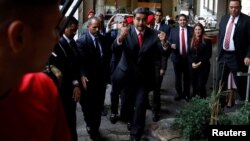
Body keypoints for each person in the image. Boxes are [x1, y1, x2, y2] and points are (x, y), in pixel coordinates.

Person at [0, 0, 72, 141]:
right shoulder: (41, 91)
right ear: (19, 37)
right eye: (55, 28)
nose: (57, 38)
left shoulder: (43, 88)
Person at [111, 7, 169, 141]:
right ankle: (130, 120)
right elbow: (114, 49)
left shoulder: (154, 34)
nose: (141, 23)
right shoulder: (126, 31)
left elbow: (164, 52)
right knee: (126, 105)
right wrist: (120, 38)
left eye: (143, 20)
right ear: (133, 19)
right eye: (138, 19)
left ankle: (135, 135)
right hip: (126, 77)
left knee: (141, 106)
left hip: (143, 78)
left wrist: (164, 43)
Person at [76, 17, 111, 141]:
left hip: (101, 81)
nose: (97, 29)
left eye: (99, 27)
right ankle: (91, 126)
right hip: (88, 81)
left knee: (98, 106)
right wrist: (82, 75)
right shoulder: (81, 42)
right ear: (88, 27)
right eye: (94, 27)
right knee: (89, 107)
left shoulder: (103, 40)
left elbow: (106, 58)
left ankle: (94, 128)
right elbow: (80, 62)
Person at [49, 16, 81, 141]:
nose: (74, 33)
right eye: (72, 30)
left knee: (71, 122)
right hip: (63, 91)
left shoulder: (71, 42)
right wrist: (74, 83)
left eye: (76, 30)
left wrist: (76, 83)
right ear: (64, 28)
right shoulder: (57, 45)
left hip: (70, 90)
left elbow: (75, 65)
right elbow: (65, 68)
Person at [216, 0, 250, 102]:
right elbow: (221, 36)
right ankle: (219, 106)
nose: (233, 9)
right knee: (220, 82)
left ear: (240, 7)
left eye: (236, 7)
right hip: (223, 56)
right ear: (229, 7)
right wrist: (219, 53)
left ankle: (245, 106)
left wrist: (248, 55)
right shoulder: (224, 18)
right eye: (231, 7)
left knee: (241, 83)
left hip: (237, 57)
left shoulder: (247, 20)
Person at [168, 14, 193, 102]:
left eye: (184, 20)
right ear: (178, 21)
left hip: (188, 58)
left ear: (187, 21)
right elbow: (169, 41)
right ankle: (179, 94)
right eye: (181, 20)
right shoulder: (173, 30)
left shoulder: (191, 30)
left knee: (187, 77)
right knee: (178, 77)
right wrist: (171, 45)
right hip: (177, 58)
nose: (182, 22)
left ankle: (186, 94)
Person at [189, 23, 212, 98]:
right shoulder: (191, 39)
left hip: (203, 66)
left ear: (202, 30)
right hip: (193, 66)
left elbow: (208, 55)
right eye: (196, 29)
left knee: (201, 85)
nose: (197, 31)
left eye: (199, 29)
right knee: (194, 84)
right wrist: (192, 63)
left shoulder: (207, 40)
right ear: (194, 30)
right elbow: (189, 54)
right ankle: (195, 101)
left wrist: (199, 63)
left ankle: (203, 100)